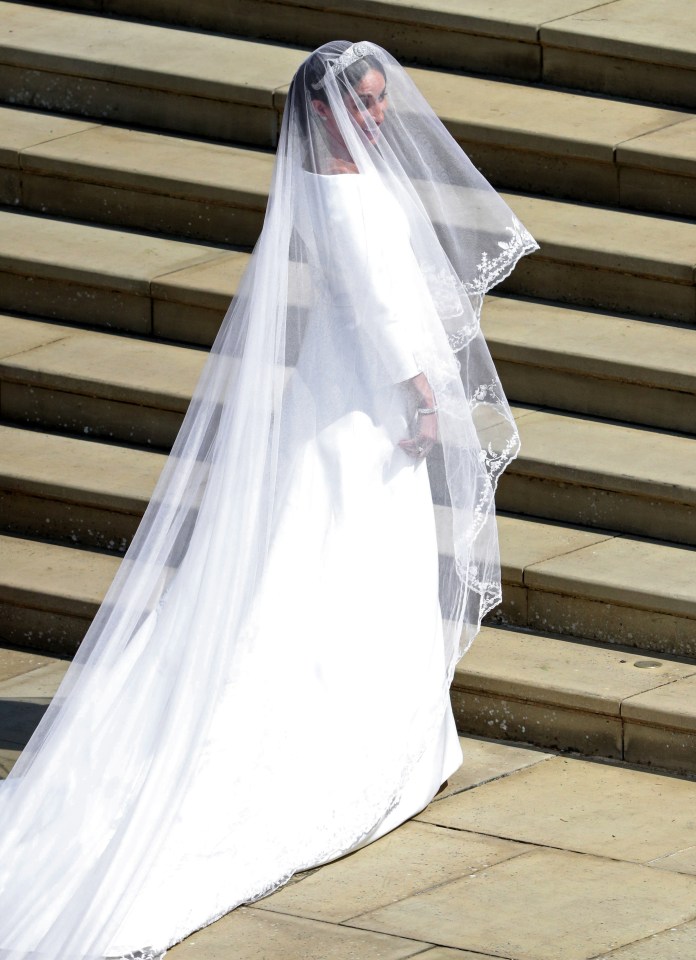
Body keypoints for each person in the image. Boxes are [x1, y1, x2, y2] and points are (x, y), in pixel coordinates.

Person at [0, 40, 537, 959]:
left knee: (349, 558)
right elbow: (378, 305)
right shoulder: (341, 193)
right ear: (322, 110)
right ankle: (355, 745)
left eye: (382, 101)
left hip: (344, 389)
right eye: (364, 104)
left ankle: (397, 733)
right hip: (365, 402)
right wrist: (422, 395)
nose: (378, 116)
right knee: (347, 560)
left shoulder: (330, 181)